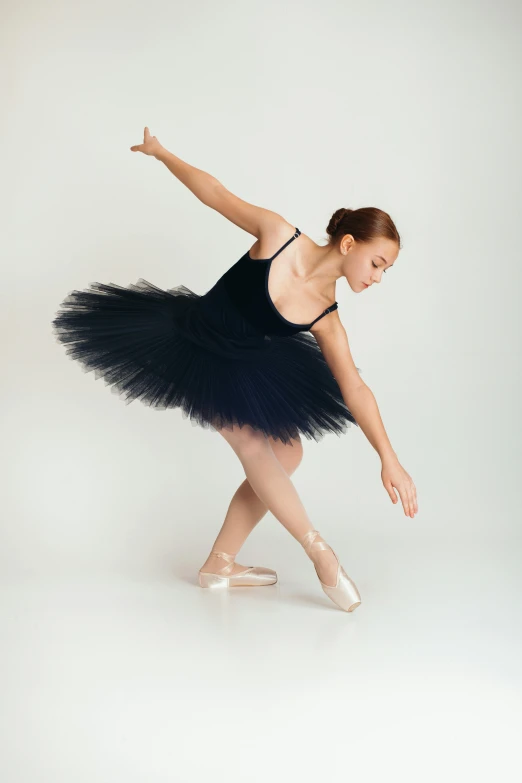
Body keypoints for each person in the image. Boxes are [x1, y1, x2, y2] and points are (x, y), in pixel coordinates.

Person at [52, 127, 418, 613]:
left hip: (246, 363)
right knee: (250, 443)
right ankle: (320, 553)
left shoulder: (326, 318)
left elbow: (355, 387)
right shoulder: (278, 234)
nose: (376, 277)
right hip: (196, 344)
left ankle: (219, 563)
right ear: (348, 244)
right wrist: (163, 154)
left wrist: (387, 457)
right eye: (377, 263)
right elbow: (216, 194)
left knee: (286, 455)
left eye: (385, 271)